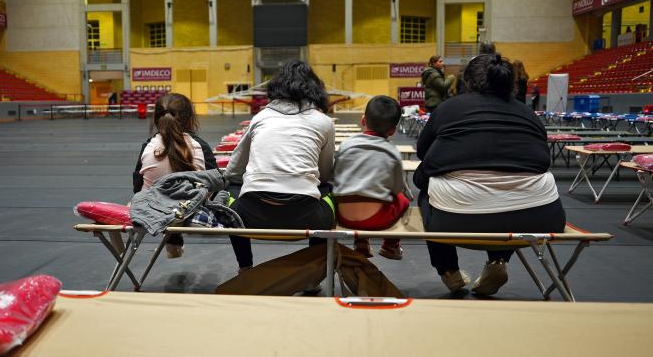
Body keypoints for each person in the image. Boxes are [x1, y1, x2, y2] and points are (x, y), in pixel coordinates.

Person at [414, 53, 565, 295]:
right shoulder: (528, 114)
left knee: (425, 186)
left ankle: (448, 270)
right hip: (540, 218)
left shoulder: (448, 108)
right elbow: (541, 161)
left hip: (454, 221)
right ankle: (498, 261)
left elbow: (423, 151)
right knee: (510, 193)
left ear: (469, 82)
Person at [224, 60, 335, 271]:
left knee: (229, 191)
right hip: (306, 216)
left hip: (252, 214)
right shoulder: (324, 122)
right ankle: (311, 274)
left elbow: (232, 171)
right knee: (328, 192)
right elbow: (325, 174)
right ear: (314, 88)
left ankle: (245, 267)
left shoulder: (261, 118)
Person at [133, 93, 217, 258]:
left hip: (153, 210)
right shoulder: (200, 146)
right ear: (190, 119)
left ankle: (173, 240)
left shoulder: (148, 146)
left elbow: (137, 185)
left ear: (157, 119)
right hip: (192, 208)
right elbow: (215, 182)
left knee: (163, 194)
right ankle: (245, 266)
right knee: (219, 187)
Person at [333, 96, 409, 260]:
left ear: (363, 120)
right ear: (393, 130)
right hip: (377, 220)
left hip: (342, 217)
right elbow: (396, 189)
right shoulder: (392, 152)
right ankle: (390, 246)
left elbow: (336, 178)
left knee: (355, 191)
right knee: (403, 199)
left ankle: (361, 244)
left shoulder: (345, 145)